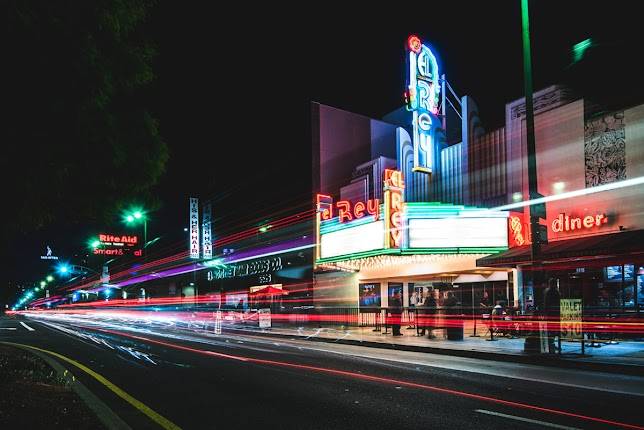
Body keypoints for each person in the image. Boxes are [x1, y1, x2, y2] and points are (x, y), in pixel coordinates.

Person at [544, 279, 561, 354]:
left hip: (550, 313)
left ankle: (551, 343)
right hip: (554, 313)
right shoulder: (555, 291)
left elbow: (545, 303)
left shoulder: (547, 291)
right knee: (553, 330)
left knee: (551, 330)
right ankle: (552, 343)